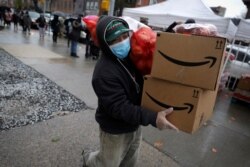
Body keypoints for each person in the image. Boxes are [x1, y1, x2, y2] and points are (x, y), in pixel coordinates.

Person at [82, 15, 178, 167]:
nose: (122, 42)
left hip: (134, 124)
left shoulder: (131, 56)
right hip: (114, 129)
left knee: (130, 161)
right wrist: (153, 117)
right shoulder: (103, 74)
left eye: (125, 36)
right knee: (107, 164)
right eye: (115, 40)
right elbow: (120, 108)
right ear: (105, 44)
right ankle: (89, 159)